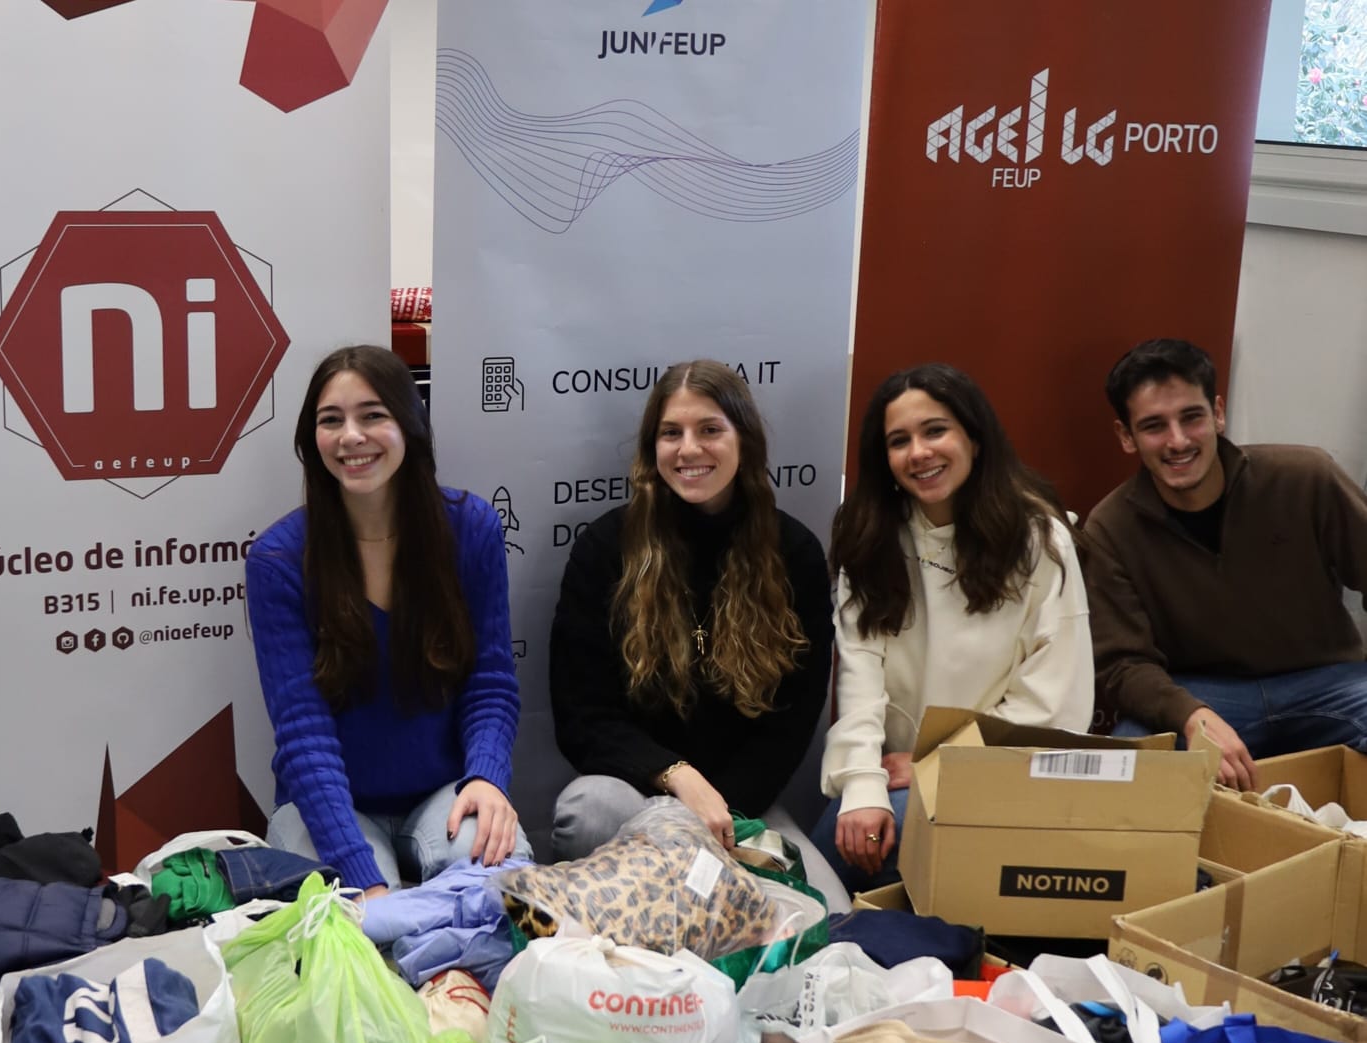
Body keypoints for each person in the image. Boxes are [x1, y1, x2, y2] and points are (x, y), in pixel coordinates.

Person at [248, 345, 529, 897]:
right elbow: (303, 734)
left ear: (409, 422)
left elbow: (491, 682)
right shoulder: (278, 560)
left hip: (447, 791)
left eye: (372, 415)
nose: (351, 436)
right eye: (331, 420)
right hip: (329, 808)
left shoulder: (472, 527)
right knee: (352, 927)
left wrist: (487, 778)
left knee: (508, 899)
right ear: (312, 439)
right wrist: (365, 883)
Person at [812, 364, 1093, 893]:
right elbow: (859, 677)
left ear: (975, 438)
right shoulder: (868, 536)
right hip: (896, 774)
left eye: (935, 430)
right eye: (899, 441)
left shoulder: (1041, 540)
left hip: (1002, 769)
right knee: (841, 840)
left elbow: (1053, 705)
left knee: (871, 846)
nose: (918, 452)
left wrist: (935, 759)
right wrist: (862, 785)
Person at [549, 359, 833, 869]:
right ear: (652, 447)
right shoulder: (606, 548)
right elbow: (582, 716)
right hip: (632, 795)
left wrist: (716, 817)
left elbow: (790, 726)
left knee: (823, 903)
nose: (689, 449)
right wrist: (677, 777)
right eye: (671, 433)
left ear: (744, 440)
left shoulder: (795, 553)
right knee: (585, 812)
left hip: (739, 809)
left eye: (709, 430)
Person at [1084, 338, 1367, 789]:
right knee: (1130, 769)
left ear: (1217, 413)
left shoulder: (1305, 476)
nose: (1178, 441)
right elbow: (1122, 664)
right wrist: (1190, 714)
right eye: (1154, 426)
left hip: (1330, 682)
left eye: (1191, 417)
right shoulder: (1109, 529)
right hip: (1203, 696)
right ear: (1126, 436)